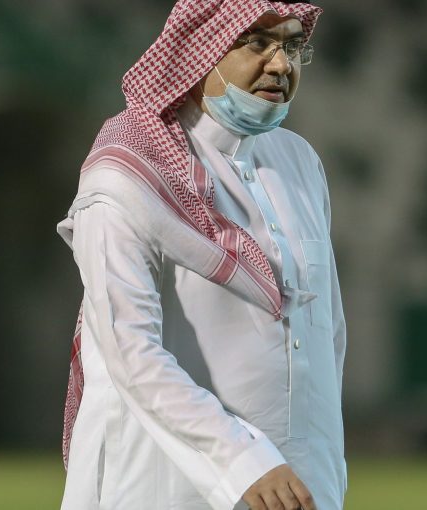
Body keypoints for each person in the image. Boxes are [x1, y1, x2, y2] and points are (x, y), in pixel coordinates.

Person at [56, 1, 346, 509]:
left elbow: (327, 335)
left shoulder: (298, 162)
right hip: (160, 486)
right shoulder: (127, 175)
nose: (281, 64)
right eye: (257, 43)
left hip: (296, 486)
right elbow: (130, 352)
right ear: (199, 50)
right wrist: (241, 461)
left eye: (293, 46)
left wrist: (322, 472)